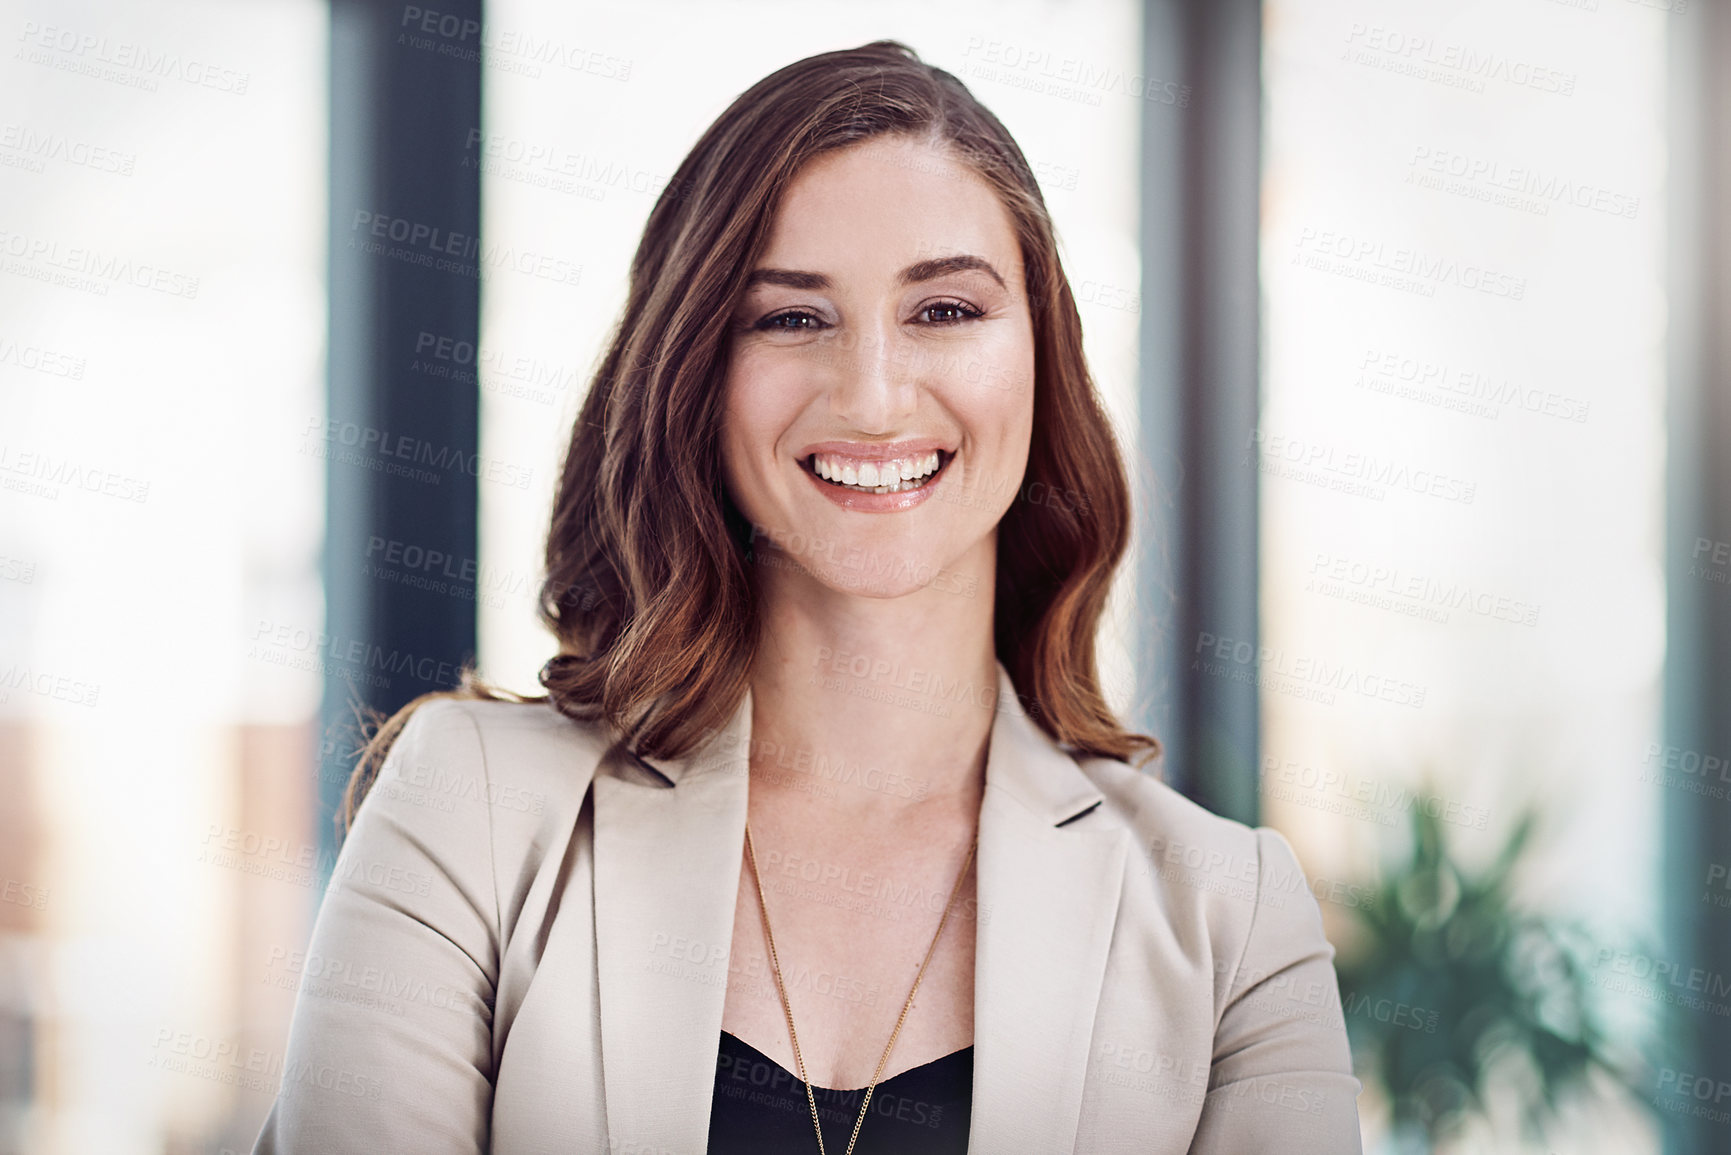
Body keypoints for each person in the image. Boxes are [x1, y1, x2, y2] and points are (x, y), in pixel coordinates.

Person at [252, 40, 1361, 1155]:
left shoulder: (1231, 919)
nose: (873, 398)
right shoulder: (470, 815)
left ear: (1041, 356)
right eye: (789, 318)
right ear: (694, 372)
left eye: (944, 311)